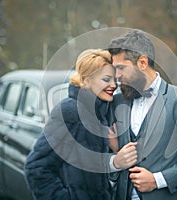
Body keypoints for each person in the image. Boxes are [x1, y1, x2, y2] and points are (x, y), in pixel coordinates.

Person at [108, 29, 177, 199]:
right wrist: (115, 158)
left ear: (142, 63)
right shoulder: (117, 101)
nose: (117, 76)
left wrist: (157, 180)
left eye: (121, 68)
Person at [24, 49, 137, 200]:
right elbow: (36, 167)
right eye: (106, 79)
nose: (113, 85)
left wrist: (115, 151)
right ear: (86, 80)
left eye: (114, 80)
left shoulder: (100, 113)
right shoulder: (70, 112)